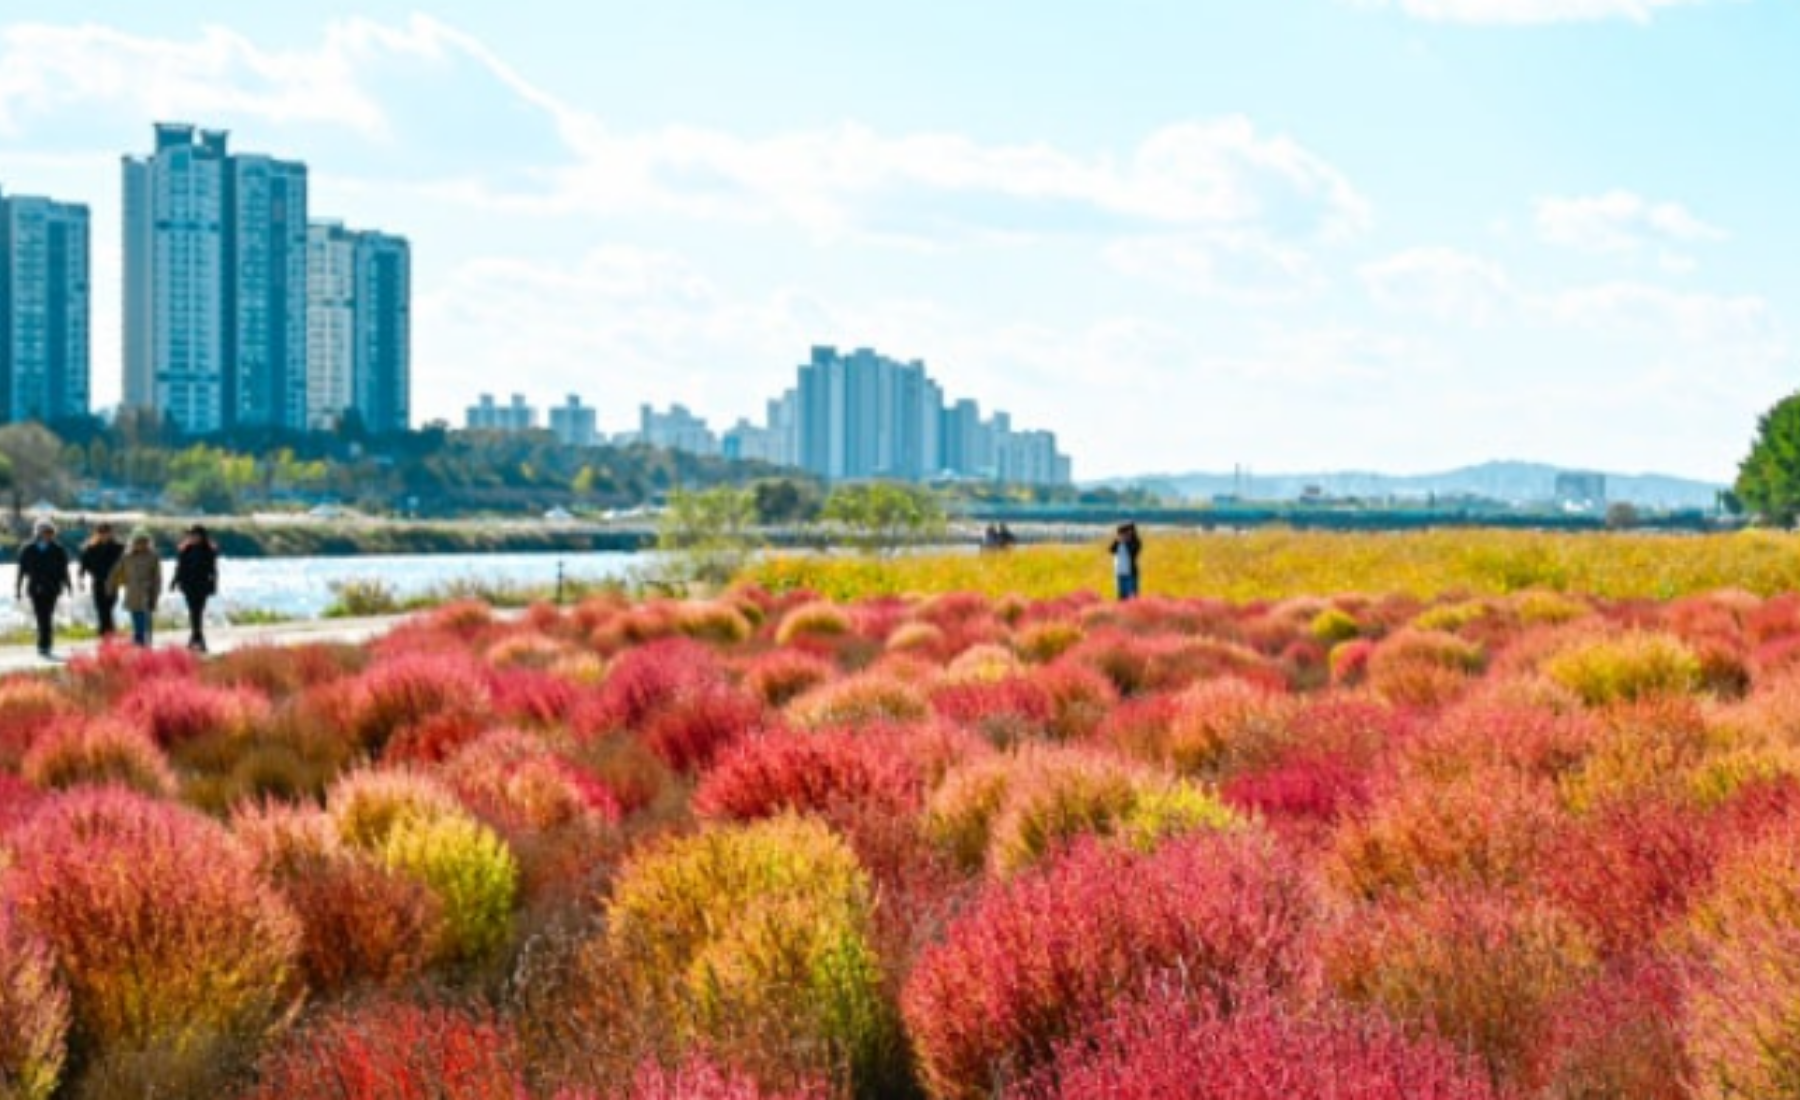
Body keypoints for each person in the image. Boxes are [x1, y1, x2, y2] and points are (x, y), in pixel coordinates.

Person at [14, 519, 73, 658]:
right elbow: (21, 570)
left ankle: (44, 644)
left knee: (46, 615)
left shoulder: (58, 549)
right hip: (35, 588)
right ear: (38, 533)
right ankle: (44, 643)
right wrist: (18, 588)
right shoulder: (28, 549)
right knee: (41, 616)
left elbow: (64, 570)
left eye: (50, 532)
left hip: (52, 588)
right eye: (45, 532)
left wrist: (69, 585)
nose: (48, 534)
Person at [110, 530, 163, 648]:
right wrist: (113, 586)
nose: (141, 544)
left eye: (144, 542)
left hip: (147, 592)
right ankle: (139, 643)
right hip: (132, 592)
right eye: (138, 542)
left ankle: (143, 643)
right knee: (137, 619)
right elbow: (116, 572)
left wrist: (155, 594)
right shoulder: (126, 556)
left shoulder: (153, 556)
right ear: (133, 543)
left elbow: (157, 578)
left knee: (145, 620)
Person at [173, 524, 219, 653]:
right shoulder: (185, 550)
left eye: (196, 535)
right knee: (193, 612)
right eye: (192, 535)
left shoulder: (209, 551)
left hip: (202, 585)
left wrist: (214, 585)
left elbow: (213, 570)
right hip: (188, 585)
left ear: (202, 536)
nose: (194, 537)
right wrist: (174, 581)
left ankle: (196, 639)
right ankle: (197, 640)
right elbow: (179, 567)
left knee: (198, 611)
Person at [78, 523, 126, 639]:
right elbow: (83, 566)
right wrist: (81, 579)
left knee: (108, 607)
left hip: (112, 582)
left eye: (107, 532)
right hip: (97, 582)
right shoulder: (90, 548)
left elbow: (126, 564)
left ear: (111, 533)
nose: (104, 535)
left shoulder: (119, 547)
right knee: (101, 608)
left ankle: (105, 632)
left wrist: (126, 579)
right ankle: (107, 633)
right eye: (102, 532)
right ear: (97, 534)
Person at [1109, 522, 1142, 602]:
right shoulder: (1118, 542)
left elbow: (1133, 552)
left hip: (1130, 574)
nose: (1122, 535)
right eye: (1120, 533)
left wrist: (1126, 541)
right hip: (1120, 572)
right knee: (1121, 597)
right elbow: (1111, 550)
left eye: (1123, 532)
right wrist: (1117, 541)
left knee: (1133, 597)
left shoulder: (1135, 542)